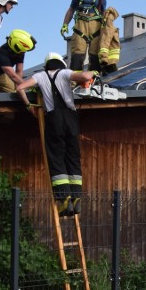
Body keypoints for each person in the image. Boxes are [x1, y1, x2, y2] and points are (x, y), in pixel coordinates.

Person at [16, 52, 95, 217]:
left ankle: (64, 200)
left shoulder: (39, 76)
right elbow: (86, 75)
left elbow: (19, 87)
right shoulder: (66, 73)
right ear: (61, 63)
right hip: (71, 119)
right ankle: (76, 200)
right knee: (73, 158)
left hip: (53, 120)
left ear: (47, 65)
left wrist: (29, 106)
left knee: (57, 158)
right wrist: (93, 73)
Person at [61, 0, 121, 74]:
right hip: (80, 31)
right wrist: (65, 24)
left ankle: (94, 81)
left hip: (96, 32)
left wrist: (108, 29)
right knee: (77, 57)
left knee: (95, 58)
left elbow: (104, 17)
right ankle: (75, 81)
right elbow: (71, 10)